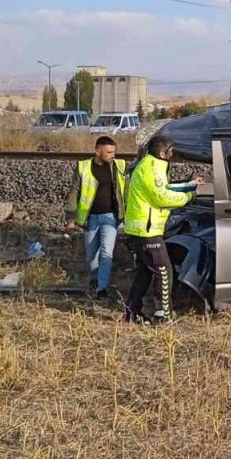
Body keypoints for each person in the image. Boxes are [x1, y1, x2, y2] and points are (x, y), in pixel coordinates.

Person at [122, 135, 199, 325]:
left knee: (145, 271)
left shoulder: (151, 165)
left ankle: (132, 311)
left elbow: (164, 187)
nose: (173, 154)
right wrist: (188, 197)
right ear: (163, 152)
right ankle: (162, 314)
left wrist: (189, 185)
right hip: (147, 231)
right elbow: (161, 197)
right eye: (171, 151)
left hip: (142, 229)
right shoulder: (151, 167)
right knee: (164, 271)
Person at [64, 135, 127, 299]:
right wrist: (70, 219)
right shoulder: (83, 167)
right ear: (98, 151)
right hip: (91, 218)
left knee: (106, 253)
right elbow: (74, 192)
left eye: (114, 152)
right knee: (91, 256)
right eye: (109, 152)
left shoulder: (119, 166)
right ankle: (94, 282)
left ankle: (102, 289)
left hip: (111, 218)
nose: (113, 155)